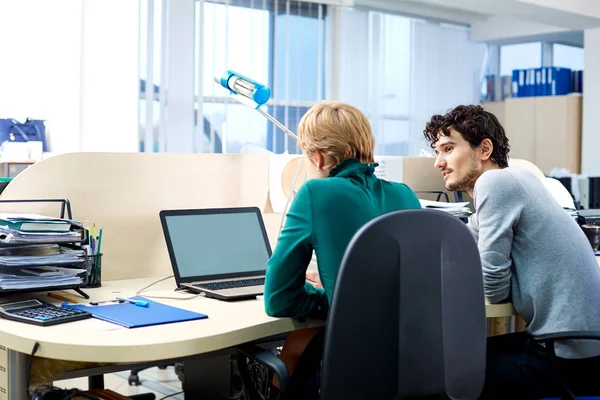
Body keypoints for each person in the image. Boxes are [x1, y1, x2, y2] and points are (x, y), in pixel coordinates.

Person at [423, 104, 600, 399]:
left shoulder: (496, 183)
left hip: (569, 356)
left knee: (441, 379)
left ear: (484, 149)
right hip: (579, 346)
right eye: (437, 151)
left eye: (448, 148)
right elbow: (470, 241)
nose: (438, 162)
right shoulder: (518, 179)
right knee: (450, 360)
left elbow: (492, 286)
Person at [263, 100, 421, 397]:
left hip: (351, 371)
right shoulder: (405, 195)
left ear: (319, 159)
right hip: (411, 367)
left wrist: (327, 297)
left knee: (288, 356)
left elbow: (278, 298)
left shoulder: (315, 193)